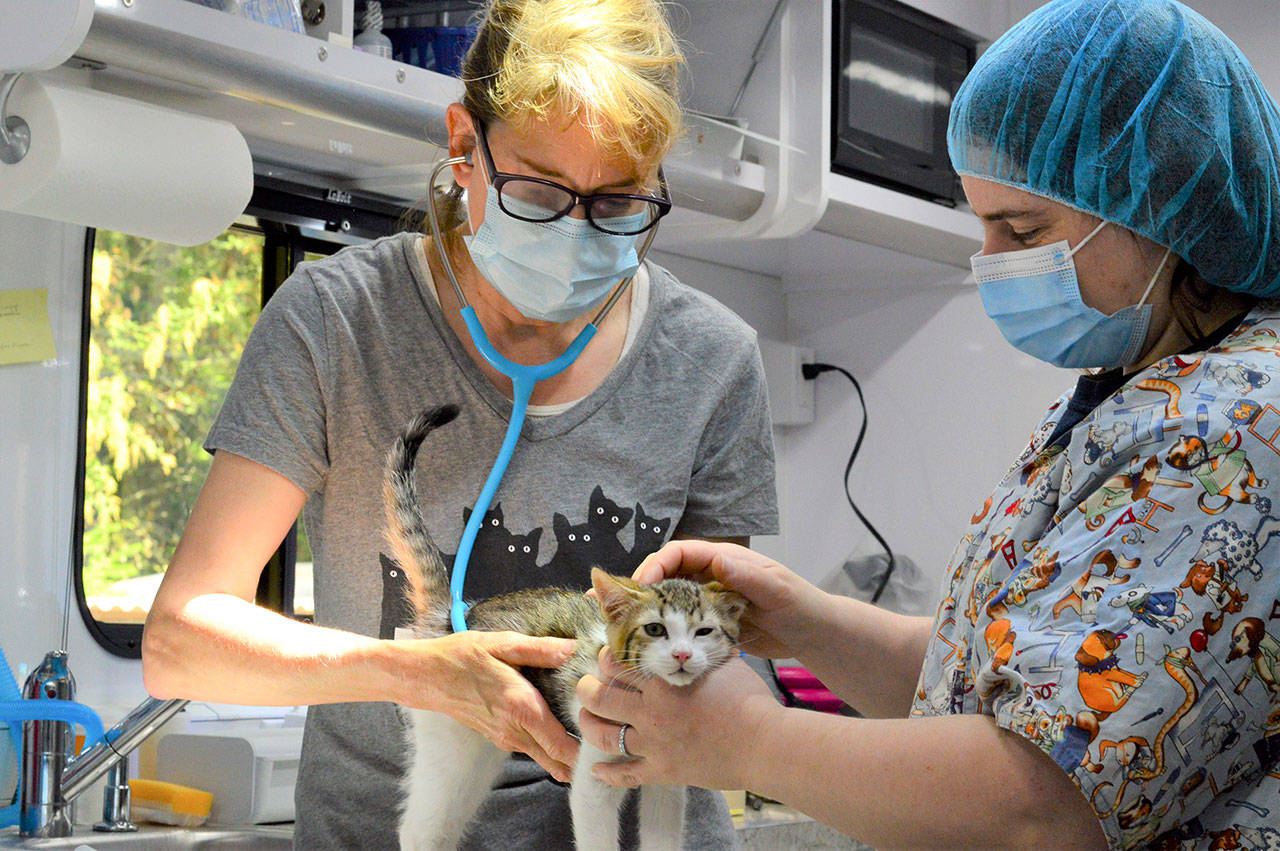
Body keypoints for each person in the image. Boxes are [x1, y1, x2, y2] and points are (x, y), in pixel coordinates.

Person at [576, 0, 1280, 848]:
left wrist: (745, 739)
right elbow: (1008, 690)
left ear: (1163, 207)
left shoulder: (1233, 427)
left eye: (1022, 229)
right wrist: (802, 618)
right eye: (981, 222)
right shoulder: (1134, 389)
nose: (988, 259)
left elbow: (1039, 799)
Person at [141, 0, 779, 848]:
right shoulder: (337, 322)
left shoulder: (712, 360)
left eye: (619, 201)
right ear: (462, 145)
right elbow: (182, 643)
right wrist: (416, 672)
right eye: (542, 190)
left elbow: (741, 647)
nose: (579, 230)